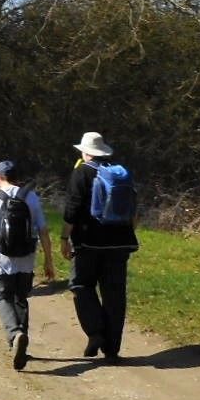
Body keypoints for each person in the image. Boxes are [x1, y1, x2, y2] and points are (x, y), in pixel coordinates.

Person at [61, 131, 139, 363]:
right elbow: (134, 210)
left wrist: (64, 238)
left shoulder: (81, 173)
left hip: (89, 242)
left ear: (86, 152)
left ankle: (96, 332)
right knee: (115, 294)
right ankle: (112, 349)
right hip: (120, 243)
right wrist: (128, 232)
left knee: (81, 285)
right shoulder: (121, 173)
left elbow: (71, 210)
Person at [0, 159, 56, 370]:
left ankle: (15, 335)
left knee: (1, 298)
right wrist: (48, 260)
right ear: (17, 177)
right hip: (26, 259)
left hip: (1, 260)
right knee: (21, 299)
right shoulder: (31, 197)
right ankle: (20, 347)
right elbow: (43, 231)